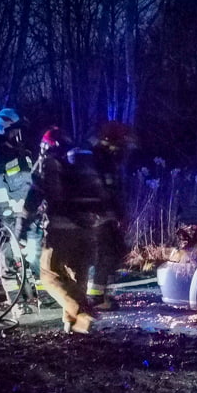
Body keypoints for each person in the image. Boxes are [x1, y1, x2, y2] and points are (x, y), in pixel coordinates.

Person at [17, 128, 110, 334]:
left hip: (62, 230)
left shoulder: (48, 164)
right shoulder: (84, 164)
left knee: (49, 275)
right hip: (90, 230)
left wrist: (20, 229)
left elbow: (32, 199)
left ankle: (82, 314)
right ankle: (71, 323)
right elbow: (103, 196)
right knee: (78, 276)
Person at [0, 108, 55, 318]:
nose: (19, 134)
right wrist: (12, 218)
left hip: (30, 217)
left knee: (38, 257)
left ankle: (47, 299)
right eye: (15, 130)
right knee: (11, 258)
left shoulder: (25, 155)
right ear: (5, 131)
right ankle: (18, 303)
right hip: (6, 219)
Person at [86, 122, 134, 310]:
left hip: (106, 214)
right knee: (105, 254)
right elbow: (105, 190)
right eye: (120, 144)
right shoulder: (98, 159)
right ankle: (96, 297)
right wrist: (114, 212)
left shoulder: (105, 158)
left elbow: (113, 190)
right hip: (99, 215)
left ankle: (101, 293)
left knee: (115, 252)